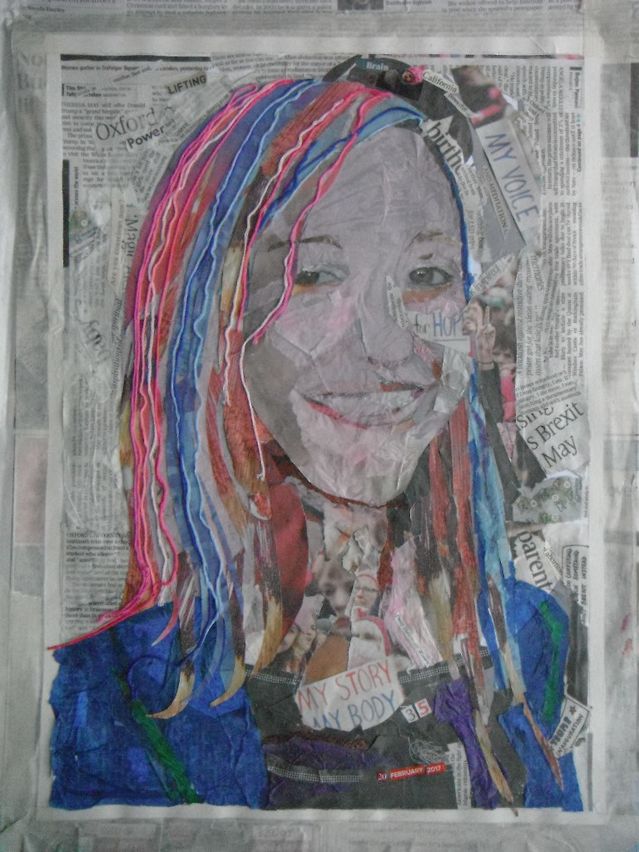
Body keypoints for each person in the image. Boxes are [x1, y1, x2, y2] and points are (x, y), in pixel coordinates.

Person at [50, 59, 582, 811]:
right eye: (314, 276)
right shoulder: (115, 691)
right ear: (212, 315)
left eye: (427, 274)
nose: (388, 351)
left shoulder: (528, 638)